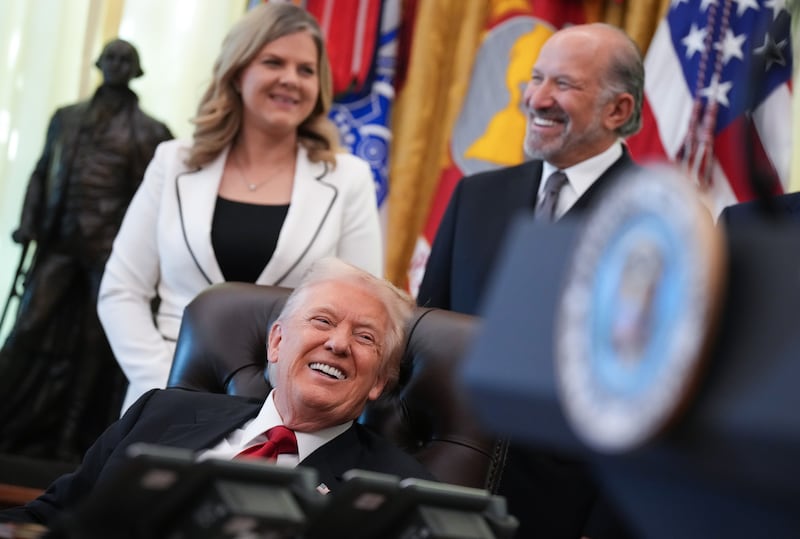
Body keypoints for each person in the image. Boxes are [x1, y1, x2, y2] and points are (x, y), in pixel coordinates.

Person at [97, 3, 383, 415]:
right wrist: (166, 382)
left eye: (306, 70)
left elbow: (361, 312)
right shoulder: (173, 162)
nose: (291, 79)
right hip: (162, 397)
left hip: (285, 411)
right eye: (274, 62)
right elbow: (120, 290)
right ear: (236, 72)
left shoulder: (349, 178)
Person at [417, 23, 643, 539]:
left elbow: (645, 403)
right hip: (443, 487)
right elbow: (426, 339)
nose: (536, 98)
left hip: (568, 509)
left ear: (618, 110)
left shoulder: (653, 219)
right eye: (536, 78)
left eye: (564, 84)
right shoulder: (475, 196)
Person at [1, 257, 432, 527]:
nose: (338, 343)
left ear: (379, 381)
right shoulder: (160, 413)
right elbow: (47, 516)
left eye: (364, 337)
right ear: (276, 342)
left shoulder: (399, 492)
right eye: (322, 321)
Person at [0, 39, 172, 463]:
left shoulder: (151, 132)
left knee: (99, 345)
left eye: (125, 59)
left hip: (108, 252)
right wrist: (29, 221)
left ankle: (73, 438)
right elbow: (42, 172)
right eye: (110, 57)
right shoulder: (66, 117)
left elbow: (154, 202)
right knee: (29, 325)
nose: (116, 64)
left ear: (136, 70)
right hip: (59, 242)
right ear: (99, 62)